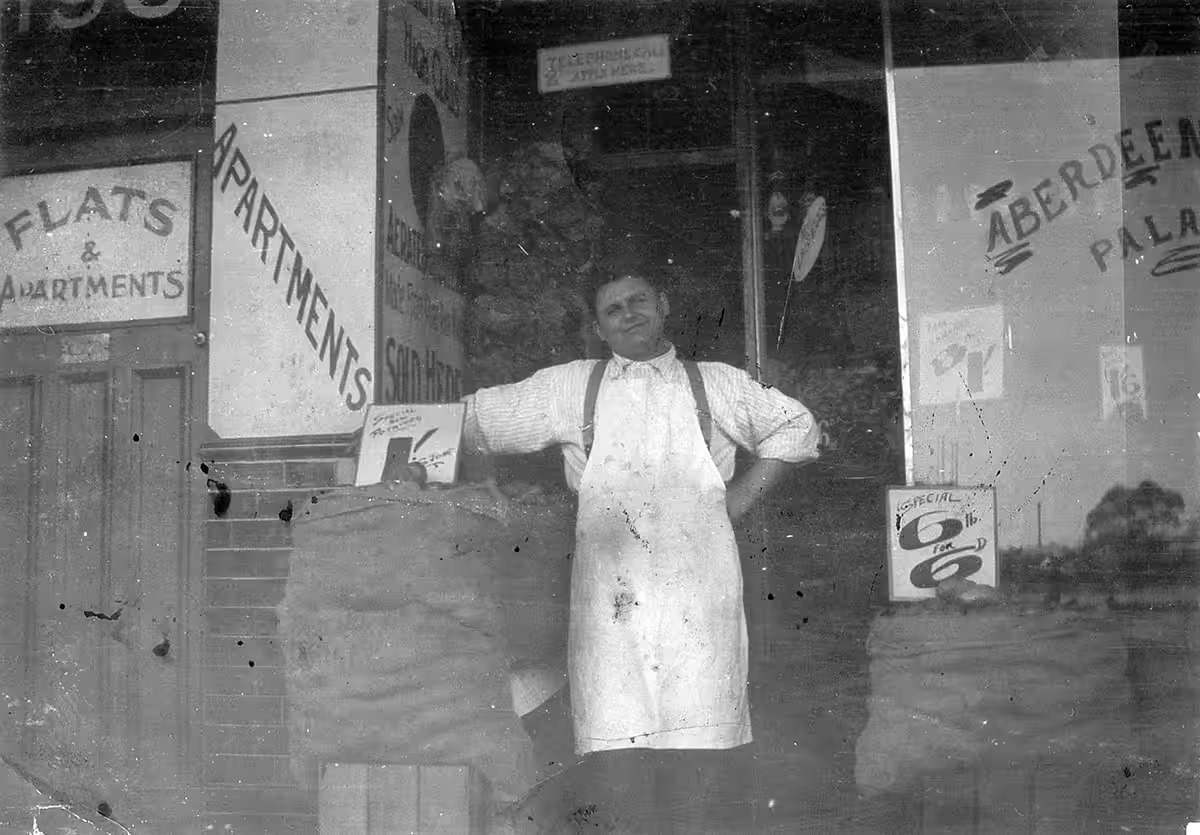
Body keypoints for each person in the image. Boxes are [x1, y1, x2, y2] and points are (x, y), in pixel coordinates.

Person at [462, 271, 819, 833]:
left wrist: (744, 495)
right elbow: (474, 420)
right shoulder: (570, 387)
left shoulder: (717, 384)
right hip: (612, 602)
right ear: (599, 329)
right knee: (617, 752)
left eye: (638, 302)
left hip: (698, 598)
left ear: (665, 306)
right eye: (612, 310)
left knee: (699, 747)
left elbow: (797, 426)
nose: (628, 314)